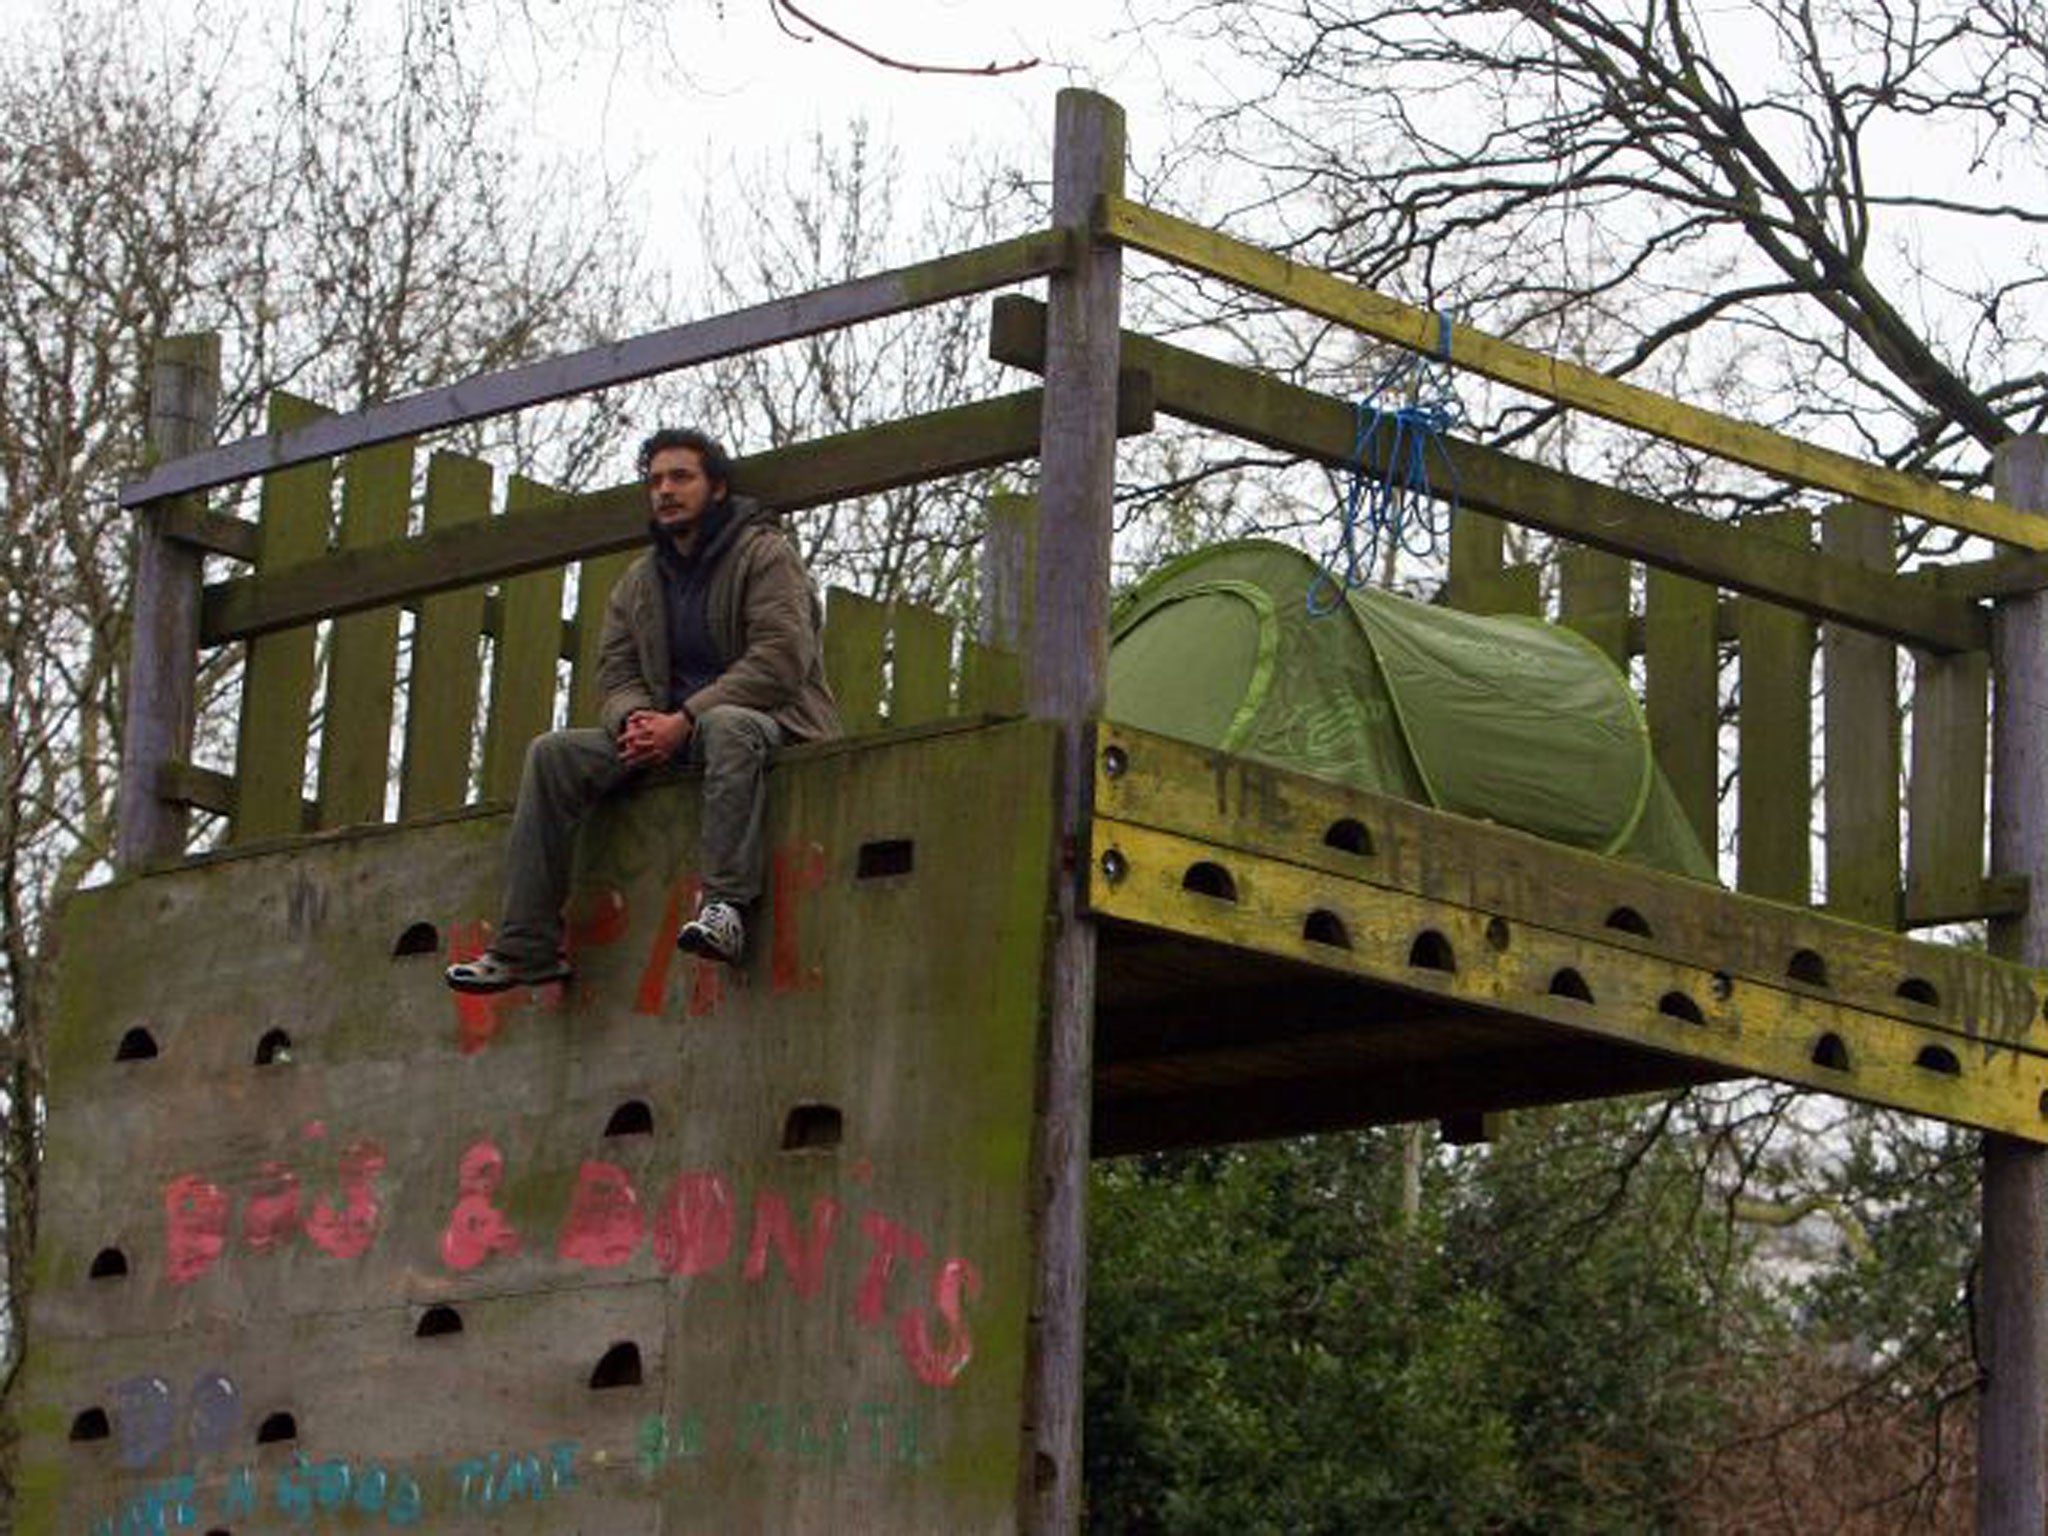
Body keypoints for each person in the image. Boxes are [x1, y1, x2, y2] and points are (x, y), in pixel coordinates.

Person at [447, 427, 839, 992]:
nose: (665, 490)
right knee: (553, 754)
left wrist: (686, 719)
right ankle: (525, 947)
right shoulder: (638, 582)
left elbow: (780, 660)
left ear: (718, 488)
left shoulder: (765, 554)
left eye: (681, 476)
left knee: (727, 724)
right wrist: (636, 723)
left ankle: (725, 909)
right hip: (666, 736)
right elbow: (617, 673)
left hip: (769, 723)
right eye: (655, 480)